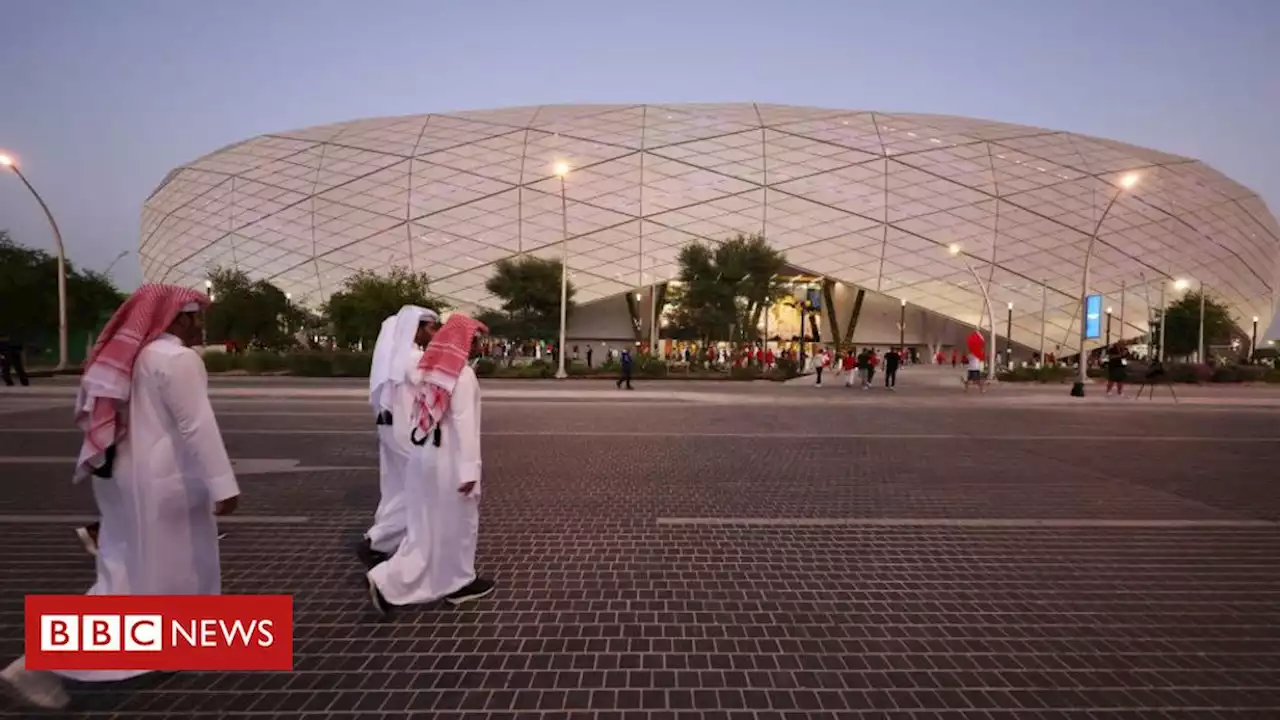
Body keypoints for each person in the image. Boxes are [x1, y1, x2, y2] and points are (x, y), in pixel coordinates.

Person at [1, 284, 240, 710]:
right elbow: (196, 426)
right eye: (195, 316)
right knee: (160, 572)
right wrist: (223, 485)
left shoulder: (132, 355)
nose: (201, 325)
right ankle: (40, 660)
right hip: (164, 481)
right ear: (175, 319)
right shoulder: (175, 359)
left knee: (127, 568)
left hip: (119, 476)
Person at [367, 314, 495, 614]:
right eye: (475, 340)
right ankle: (394, 582)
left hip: (425, 456)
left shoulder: (430, 370)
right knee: (457, 525)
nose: (479, 346)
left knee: (429, 527)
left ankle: (453, 581)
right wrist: (469, 471)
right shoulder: (461, 376)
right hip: (449, 460)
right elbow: (464, 425)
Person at [357, 306, 440, 568]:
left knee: (397, 487)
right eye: (431, 328)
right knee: (419, 488)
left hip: (394, 430)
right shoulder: (413, 358)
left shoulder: (398, 357)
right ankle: (379, 541)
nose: (434, 334)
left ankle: (387, 539)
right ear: (417, 328)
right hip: (407, 431)